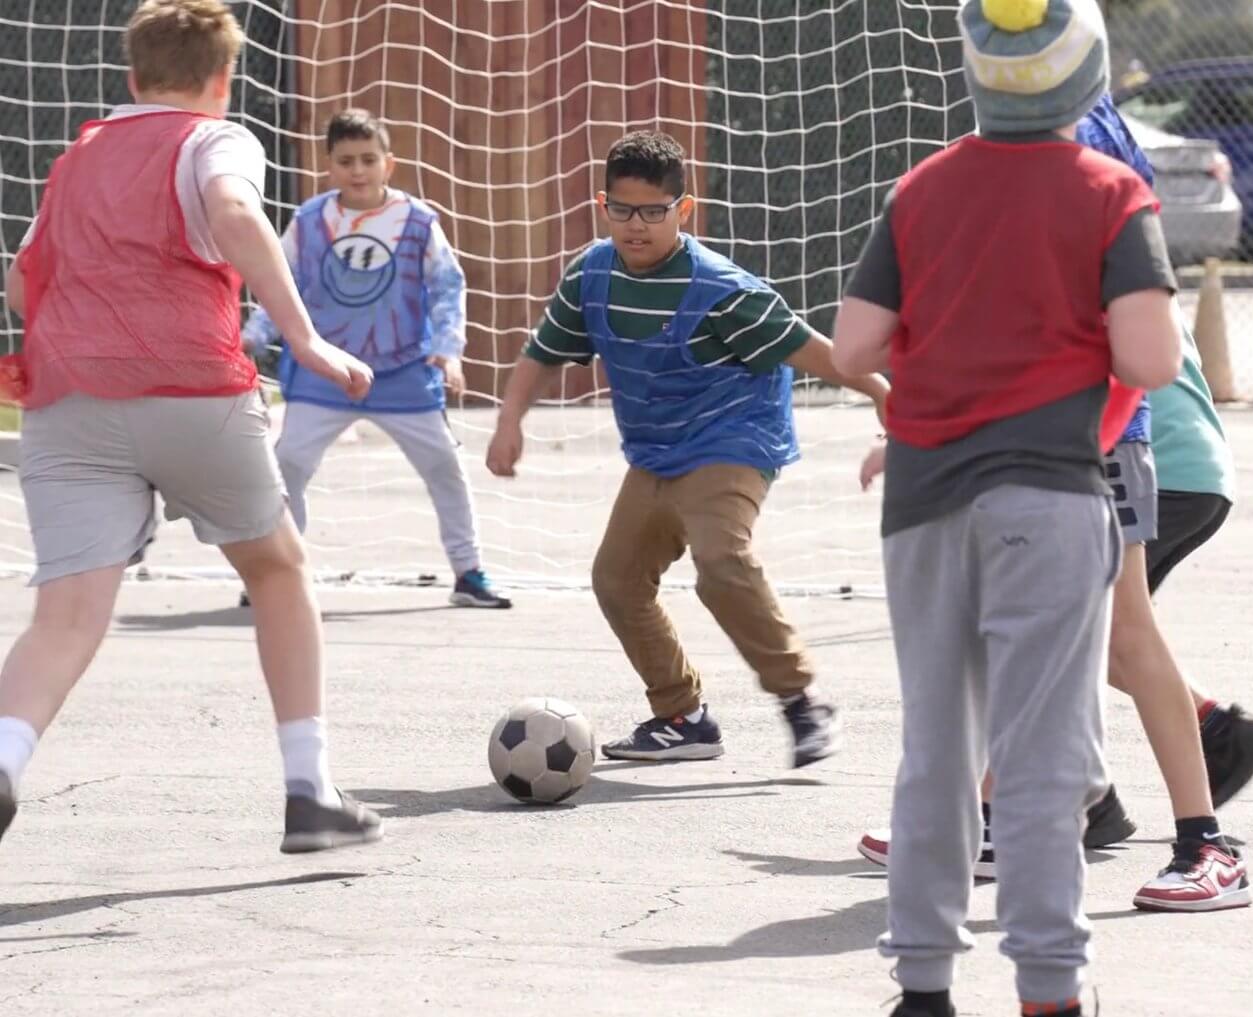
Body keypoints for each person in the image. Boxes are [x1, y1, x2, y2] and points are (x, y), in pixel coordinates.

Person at [829, 0, 1180, 1011]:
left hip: (924, 498)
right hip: (1050, 497)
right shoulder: (1111, 192)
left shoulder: (920, 189)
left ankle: (923, 985)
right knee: (1041, 753)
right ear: (1089, 74)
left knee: (937, 747)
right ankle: (1049, 986)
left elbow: (853, 348)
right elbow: (1149, 358)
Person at [853, 94, 1253, 914]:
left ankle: (1206, 843)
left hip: (1092, 435)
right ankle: (996, 818)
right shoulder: (1032, 140)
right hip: (1039, 431)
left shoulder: (1074, 145)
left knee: (1120, 634)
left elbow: (1078, 317)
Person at [0, 0, 383, 853]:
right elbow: (236, 215)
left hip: (68, 400)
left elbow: (23, 285)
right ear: (223, 79)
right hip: (191, 389)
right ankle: (309, 791)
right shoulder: (216, 139)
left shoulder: (78, 156)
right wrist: (306, 338)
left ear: (131, 76)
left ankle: (4, 757)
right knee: (277, 568)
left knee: (65, 615)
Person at [486, 130, 890, 768]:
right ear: (602, 205)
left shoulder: (722, 291)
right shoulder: (592, 274)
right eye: (623, 209)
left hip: (734, 440)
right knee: (617, 580)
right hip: (656, 451)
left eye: (654, 211)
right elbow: (543, 352)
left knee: (720, 560)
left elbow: (811, 350)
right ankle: (683, 718)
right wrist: (510, 421)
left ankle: (802, 702)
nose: (636, 225)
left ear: (685, 209)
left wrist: (880, 390)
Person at [240, 108, 510, 610]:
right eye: (346, 161)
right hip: (327, 371)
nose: (358, 170)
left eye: (368, 159)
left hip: (402, 371)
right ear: (328, 167)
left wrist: (448, 350)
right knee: (288, 465)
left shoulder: (418, 221)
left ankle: (469, 572)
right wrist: (254, 335)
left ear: (389, 163)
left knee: (445, 466)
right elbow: (282, 285)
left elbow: (447, 286)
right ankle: (276, 575)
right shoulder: (309, 222)